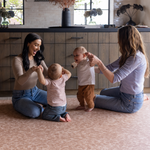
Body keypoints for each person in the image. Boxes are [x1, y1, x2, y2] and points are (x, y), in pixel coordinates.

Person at [86, 25, 149, 113]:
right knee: (103, 92)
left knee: (92, 99)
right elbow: (109, 68)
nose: (118, 42)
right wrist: (86, 68)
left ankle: (140, 99)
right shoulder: (127, 55)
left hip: (130, 101)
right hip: (123, 91)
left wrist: (99, 62)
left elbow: (114, 78)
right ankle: (141, 97)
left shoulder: (136, 58)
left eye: (119, 39)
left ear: (125, 40)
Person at [12, 33, 48, 118]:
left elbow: (47, 72)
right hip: (20, 95)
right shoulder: (17, 60)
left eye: (39, 46)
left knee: (59, 101)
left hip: (35, 91)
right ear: (28, 43)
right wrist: (31, 70)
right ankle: (35, 106)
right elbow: (20, 81)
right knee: (34, 112)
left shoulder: (38, 58)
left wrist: (59, 70)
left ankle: (37, 105)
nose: (38, 49)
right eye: (36, 45)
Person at [73, 46, 95, 112]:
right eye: (74, 55)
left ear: (83, 55)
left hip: (89, 83)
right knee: (79, 95)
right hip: (81, 83)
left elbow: (92, 63)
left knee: (88, 96)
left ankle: (91, 106)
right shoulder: (79, 63)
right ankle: (82, 105)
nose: (75, 57)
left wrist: (90, 57)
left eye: (77, 55)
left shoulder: (87, 61)